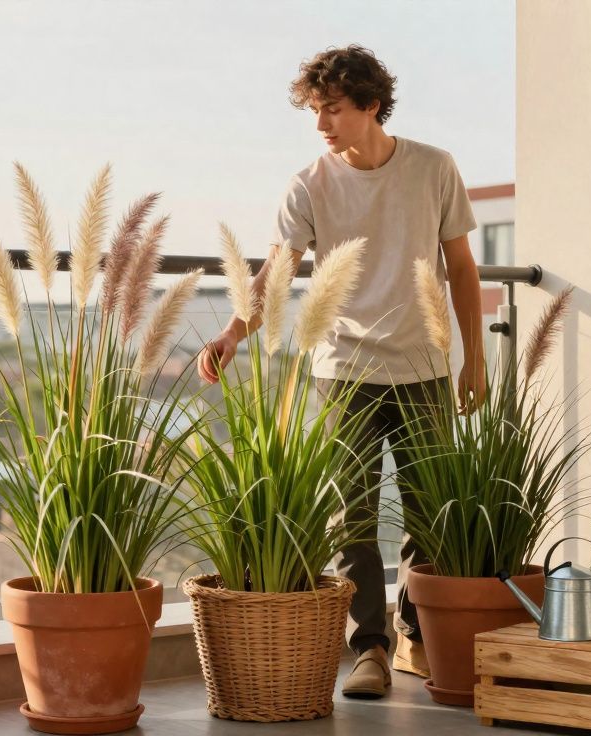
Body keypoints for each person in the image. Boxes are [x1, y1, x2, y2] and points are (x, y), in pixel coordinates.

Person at [197, 44, 486, 699]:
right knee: (350, 517)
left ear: (371, 105)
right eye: (314, 110)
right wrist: (232, 331)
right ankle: (370, 652)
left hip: (425, 367)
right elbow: (278, 270)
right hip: (342, 371)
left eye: (332, 108)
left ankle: (417, 631)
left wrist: (475, 360)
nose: (321, 122)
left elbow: (463, 269)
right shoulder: (309, 184)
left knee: (431, 515)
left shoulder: (433, 169)